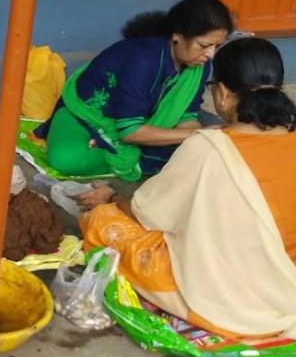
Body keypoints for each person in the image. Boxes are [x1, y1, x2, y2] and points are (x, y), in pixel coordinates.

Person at [78, 37, 296, 339]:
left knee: (103, 220)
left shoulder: (209, 147)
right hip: (288, 288)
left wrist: (113, 197)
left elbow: (147, 212)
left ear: (222, 93)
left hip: (230, 302)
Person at [35, 0, 234, 180]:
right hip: (87, 117)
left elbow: (186, 115)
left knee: (203, 155)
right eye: (204, 45)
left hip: (142, 126)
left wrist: (196, 140)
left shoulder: (199, 64)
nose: (211, 54)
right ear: (178, 36)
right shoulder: (142, 60)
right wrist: (195, 135)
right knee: (66, 159)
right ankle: (135, 158)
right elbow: (130, 132)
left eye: (216, 46)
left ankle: (122, 154)